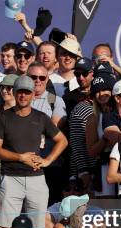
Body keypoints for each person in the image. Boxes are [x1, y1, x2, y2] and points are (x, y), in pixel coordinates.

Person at [0, 75, 68, 228]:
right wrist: (21, 157)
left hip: (37, 179)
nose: (23, 96)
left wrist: (47, 160)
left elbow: (62, 141)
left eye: (27, 92)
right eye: (20, 92)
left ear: (33, 94)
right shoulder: (2, 117)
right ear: (14, 92)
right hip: (10, 178)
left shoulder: (41, 118)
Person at [28, 62, 68, 203]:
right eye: (33, 77)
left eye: (42, 78)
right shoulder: (19, 100)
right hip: (23, 165)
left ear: (47, 79)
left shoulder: (55, 100)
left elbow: (54, 128)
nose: (38, 81)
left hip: (50, 165)